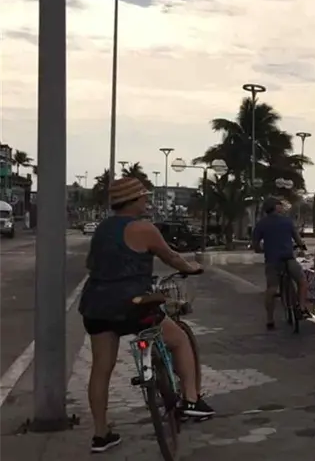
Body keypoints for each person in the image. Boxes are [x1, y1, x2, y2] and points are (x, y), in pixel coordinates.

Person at [78, 177, 214, 453]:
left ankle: (101, 434)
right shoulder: (143, 228)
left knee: (101, 370)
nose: (146, 201)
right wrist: (192, 268)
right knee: (178, 340)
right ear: (133, 201)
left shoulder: (102, 229)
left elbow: (90, 264)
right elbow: (172, 258)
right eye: (143, 197)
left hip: (95, 306)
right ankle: (190, 399)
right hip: (133, 305)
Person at [252, 197, 309, 329]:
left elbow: (255, 245)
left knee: (271, 289)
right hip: (288, 258)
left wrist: (263, 250)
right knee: (302, 281)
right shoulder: (287, 222)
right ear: (276, 207)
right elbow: (298, 239)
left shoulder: (261, 224)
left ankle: (270, 320)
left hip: (272, 260)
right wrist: (302, 247)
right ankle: (301, 307)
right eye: (280, 205)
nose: (282, 207)